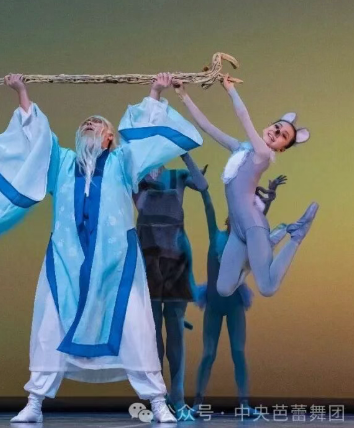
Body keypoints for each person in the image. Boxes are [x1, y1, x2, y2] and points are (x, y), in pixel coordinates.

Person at [0, 72, 203, 423]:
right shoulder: (61, 163)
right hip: (67, 261)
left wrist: (155, 91)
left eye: (97, 123)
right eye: (85, 122)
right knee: (51, 326)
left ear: (109, 137)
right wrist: (21, 91)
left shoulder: (122, 162)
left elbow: (143, 138)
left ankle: (157, 402)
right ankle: (35, 402)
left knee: (135, 328)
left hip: (116, 264)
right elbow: (36, 138)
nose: (89, 124)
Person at [174, 78, 317, 298]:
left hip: (253, 226)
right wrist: (183, 95)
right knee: (223, 289)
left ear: (281, 149)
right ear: (269, 126)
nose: (276, 133)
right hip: (237, 230)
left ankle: (296, 235)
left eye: (283, 136)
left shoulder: (263, 155)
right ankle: (260, 251)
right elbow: (207, 126)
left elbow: (244, 118)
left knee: (267, 287)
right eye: (276, 127)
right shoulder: (239, 148)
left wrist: (230, 90)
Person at [192, 171, 288, 417]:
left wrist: (270, 196)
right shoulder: (216, 235)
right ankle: (197, 403)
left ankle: (244, 404)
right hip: (214, 303)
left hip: (234, 303)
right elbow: (207, 205)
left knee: (237, 352)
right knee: (208, 354)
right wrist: (199, 182)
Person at [133, 153, 208, 413]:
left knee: (175, 328)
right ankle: (158, 395)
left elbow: (202, 185)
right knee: (152, 331)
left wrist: (186, 155)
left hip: (176, 258)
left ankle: (177, 396)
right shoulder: (135, 179)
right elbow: (139, 205)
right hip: (148, 257)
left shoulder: (177, 175)